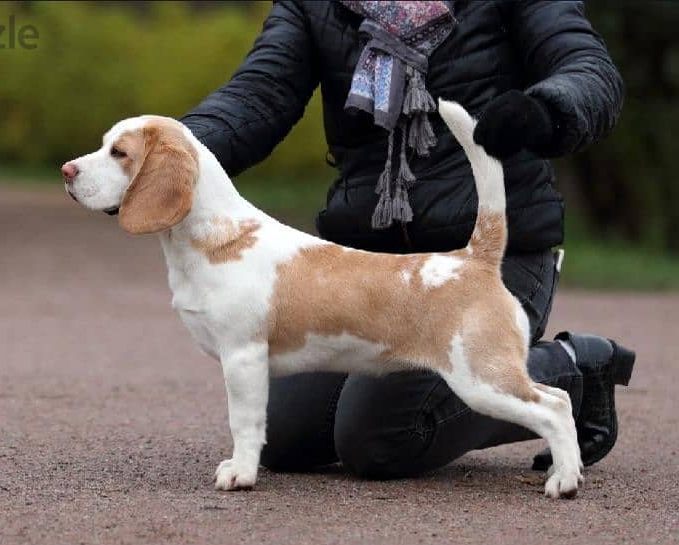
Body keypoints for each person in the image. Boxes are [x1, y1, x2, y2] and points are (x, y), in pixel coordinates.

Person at [180, 0, 636, 479]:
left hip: (490, 263)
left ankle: (572, 371)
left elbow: (590, 71)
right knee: (283, 435)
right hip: (366, 272)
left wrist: (546, 109)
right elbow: (258, 96)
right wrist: (159, 157)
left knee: (380, 436)